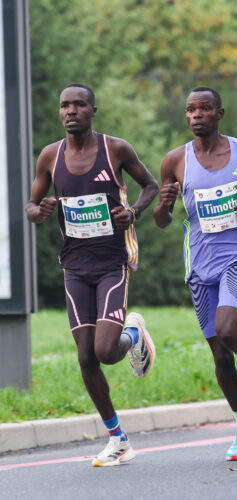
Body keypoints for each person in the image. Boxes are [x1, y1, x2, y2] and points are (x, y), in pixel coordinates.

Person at [26, 83, 159, 466]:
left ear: (92, 110)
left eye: (79, 105)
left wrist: (132, 212)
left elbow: (149, 185)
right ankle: (117, 439)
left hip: (112, 262)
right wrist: (42, 209)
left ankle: (133, 335)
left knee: (104, 350)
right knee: (86, 357)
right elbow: (31, 206)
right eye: (65, 105)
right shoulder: (51, 156)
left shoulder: (115, 149)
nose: (71, 111)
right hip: (74, 264)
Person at [153, 86, 237, 460]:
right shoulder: (174, 161)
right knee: (218, 353)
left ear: (219, 113)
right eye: (190, 110)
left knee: (229, 329)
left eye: (204, 109)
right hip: (199, 262)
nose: (196, 116)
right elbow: (161, 222)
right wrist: (163, 207)